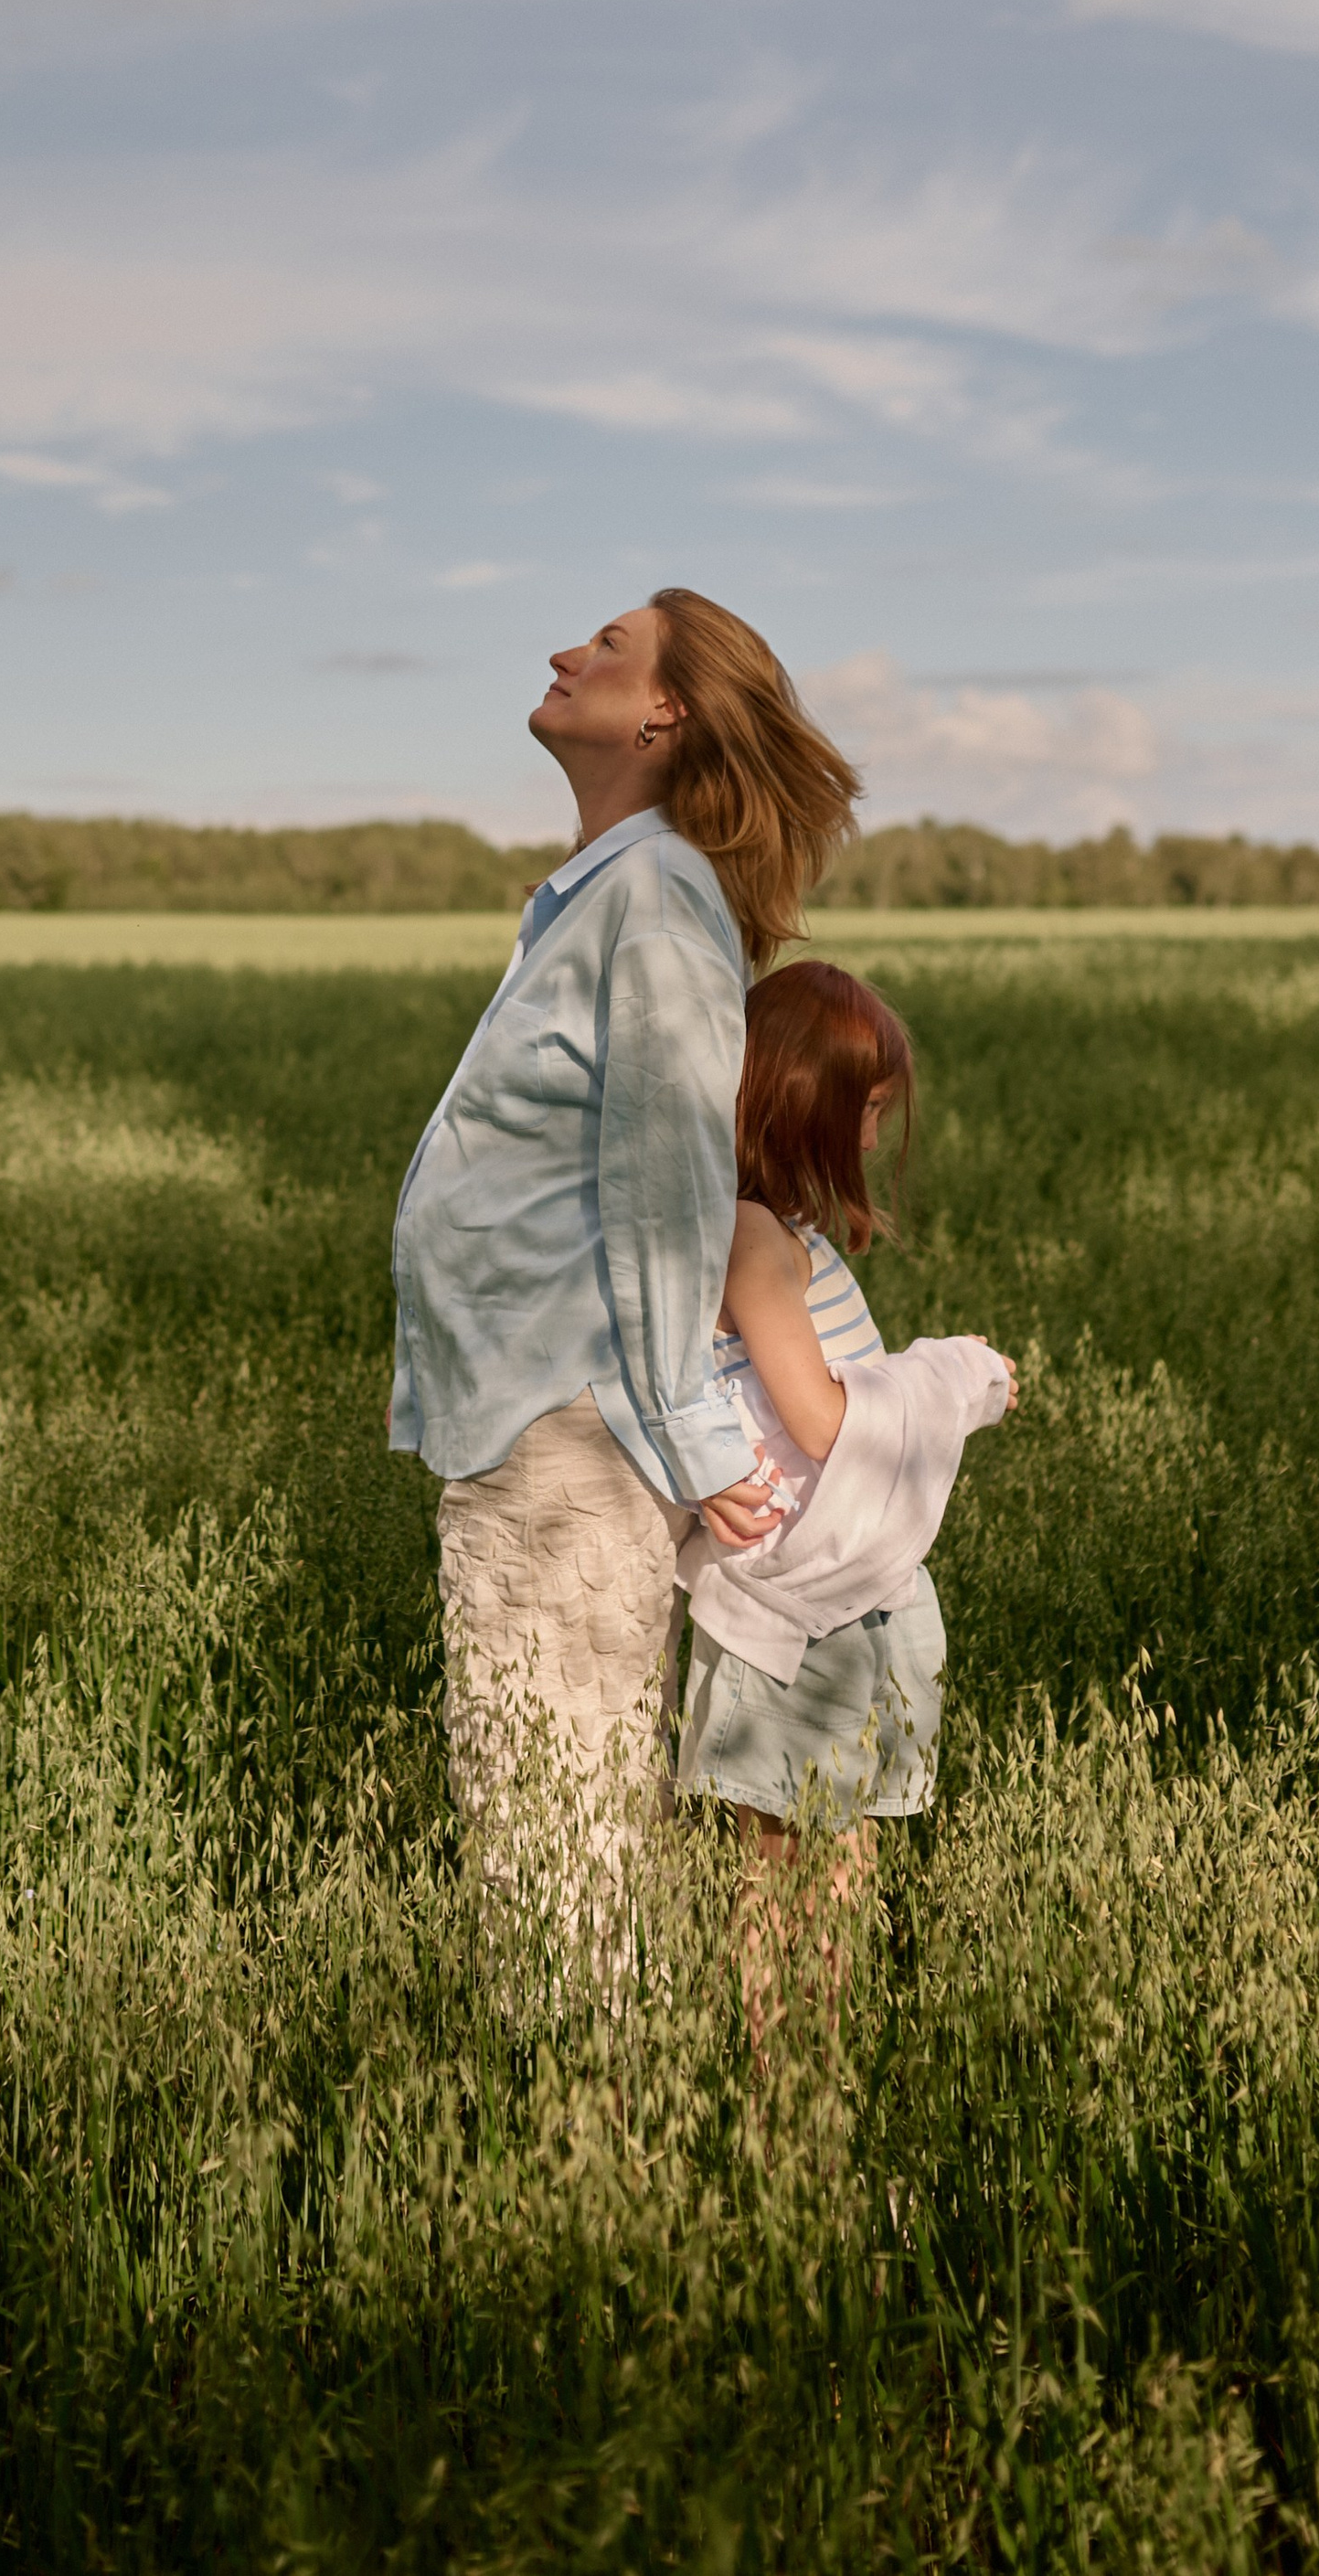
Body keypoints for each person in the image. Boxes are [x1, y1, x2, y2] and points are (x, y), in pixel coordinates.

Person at [388, 591, 859, 1964]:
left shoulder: (652, 903)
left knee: (553, 1842)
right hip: (537, 1420)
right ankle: (596, 2132)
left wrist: (695, 1439)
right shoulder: (613, 898)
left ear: (667, 713)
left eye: (605, 645)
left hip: (570, 1434)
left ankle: (580, 2141)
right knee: (550, 1823)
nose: (560, 654)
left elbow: (670, 1202)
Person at [672, 959, 1017, 2017]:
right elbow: (822, 1417)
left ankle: (817, 2102)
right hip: (800, 1621)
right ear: (801, 1103)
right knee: (784, 1878)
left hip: (854, 1604)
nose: (872, 1139)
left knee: (839, 1868)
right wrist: (951, 1375)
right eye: (863, 1112)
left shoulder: (787, 1232)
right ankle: (788, 2111)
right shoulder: (745, 1234)